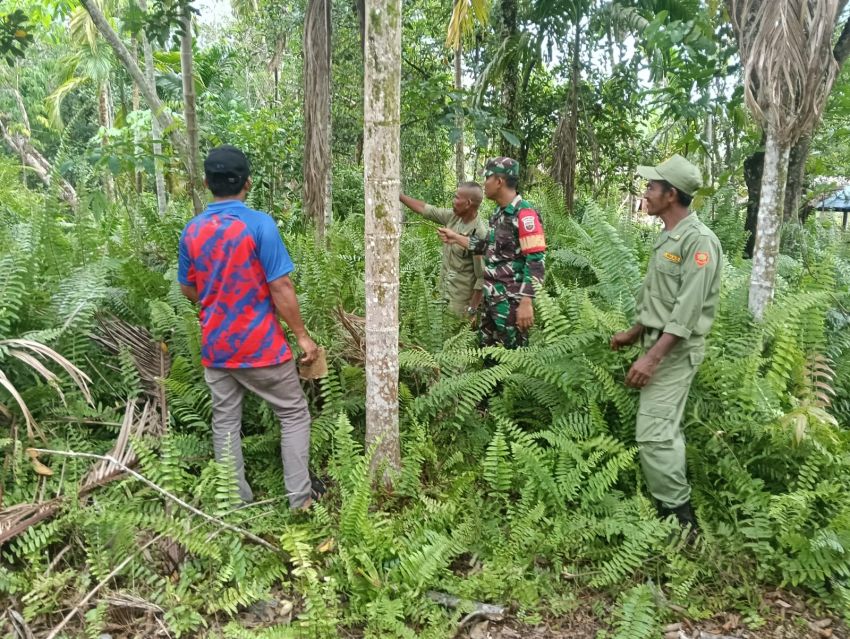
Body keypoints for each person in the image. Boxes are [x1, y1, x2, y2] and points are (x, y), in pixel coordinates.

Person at [178, 145, 321, 510]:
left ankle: (234, 502)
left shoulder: (192, 231)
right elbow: (281, 287)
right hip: (262, 347)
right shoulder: (259, 225)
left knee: (225, 422)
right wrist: (302, 337)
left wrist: (217, 302)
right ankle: (300, 501)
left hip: (217, 348)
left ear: (207, 183)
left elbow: (187, 288)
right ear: (248, 183)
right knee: (293, 413)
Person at [610, 154, 722, 532]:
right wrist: (634, 332)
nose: (645, 192)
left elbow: (686, 312)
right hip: (658, 342)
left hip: (674, 351)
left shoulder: (699, 242)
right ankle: (674, 509)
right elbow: (662, 299)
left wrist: (652, 359)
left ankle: (680, 521)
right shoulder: (670, 236)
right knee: (662, 427)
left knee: (655, 433)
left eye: (651, 187)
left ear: (671, 194)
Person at [437, 157, 545, 349]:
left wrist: (527, 301)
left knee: (513, 359)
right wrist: (456, 238)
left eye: (487, 177)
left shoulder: (524, 214)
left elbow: (536, 260)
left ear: (499, 181)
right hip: (492, 299)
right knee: (489, 357)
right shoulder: (498, 214)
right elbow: (489, 246)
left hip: (512, 303)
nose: (484, 183)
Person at [399, 184, 487, 318]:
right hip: (442, 295)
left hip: (460, 306)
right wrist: (399, 196)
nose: (453, 201)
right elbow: (425, 209)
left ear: (468, 203)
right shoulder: (453, 217)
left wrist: (472, 311)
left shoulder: (479, 234)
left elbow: (482, 277)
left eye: (456, 198)